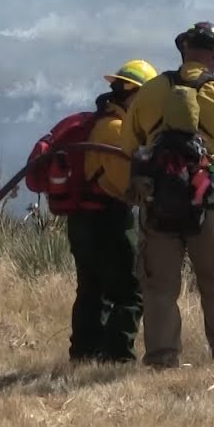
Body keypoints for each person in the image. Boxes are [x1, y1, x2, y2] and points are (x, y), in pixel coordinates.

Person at [119, 22, 214, 369]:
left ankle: (162, 359)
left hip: (157, 203)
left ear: (184, 50)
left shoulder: (151, 91)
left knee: (159, 287)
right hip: (209, 202)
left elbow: (128, 145)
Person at [66, 59, 158, 364]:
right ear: (134, 94)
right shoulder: (116, 131)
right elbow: (124, 187)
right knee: (130, 292)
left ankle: (84, 353)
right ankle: (117, 357)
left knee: (92, 289)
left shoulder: (102, 122)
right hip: (108, 220)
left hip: (83, 219)